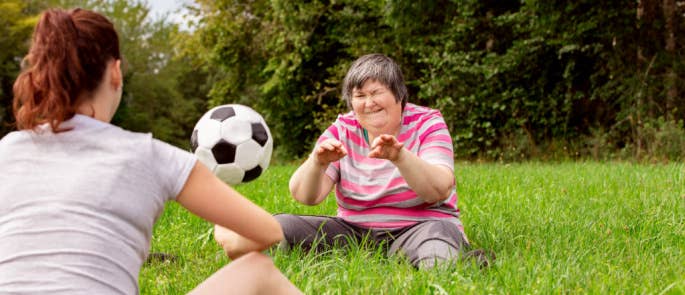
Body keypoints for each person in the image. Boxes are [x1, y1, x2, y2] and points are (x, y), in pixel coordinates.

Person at [0, 8, 301, 294]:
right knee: (258, 270)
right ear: (116, 73)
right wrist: (223, 230)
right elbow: (269, 232)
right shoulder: (149, 155)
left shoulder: (8, 149)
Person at [215, 53, 480, 269]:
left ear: (399, 94)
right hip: (354, 233)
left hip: (421, 227)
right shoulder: (343, 128)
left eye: (376, 92)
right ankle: (240, 245)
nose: (369, 103)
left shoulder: (428, 122)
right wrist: (316, 162)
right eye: (359, 96)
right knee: (279, 226)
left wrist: (400, 157)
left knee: (437, 247)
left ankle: (454, 259)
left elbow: (439, 188)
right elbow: (306, 196)